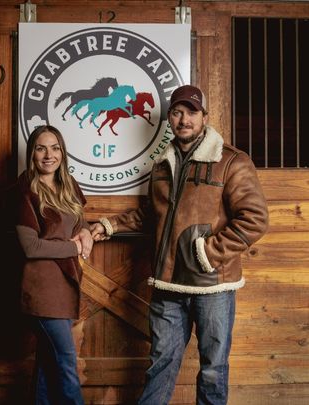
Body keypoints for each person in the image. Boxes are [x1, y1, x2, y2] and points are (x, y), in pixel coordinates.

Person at [90, 85, 269, 405]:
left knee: (213, 369)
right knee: (160, 364)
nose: (184, 119)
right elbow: (153, 216)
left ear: (204, 117)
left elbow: (254, 219)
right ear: (169, 118)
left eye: (191, 112)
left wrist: (208, 253)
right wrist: (110, 225)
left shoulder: (231, 161)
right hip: (168, 284)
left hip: (212, 284)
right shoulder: (162, 165)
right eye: (177, 112)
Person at [15, 124, 93, 405]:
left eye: (55, 147)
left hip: (65, 285)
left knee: (47, 367)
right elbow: (31, 246)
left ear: (62, 152)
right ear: (32, 154)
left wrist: (85, 231)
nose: (49, 155)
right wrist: (73, 246)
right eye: (41, 148)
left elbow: (78, 218)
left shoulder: (68, 184)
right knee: (66, 366)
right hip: (41, 288)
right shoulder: (24, 190)